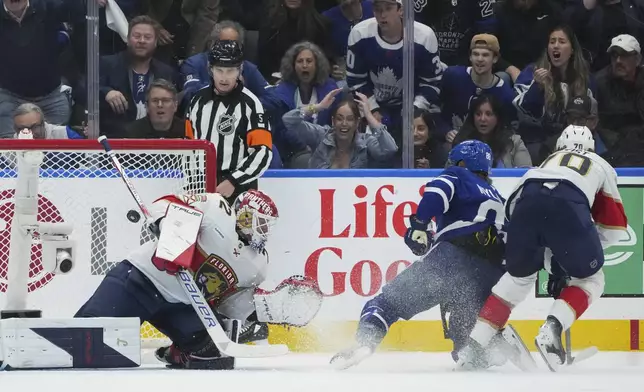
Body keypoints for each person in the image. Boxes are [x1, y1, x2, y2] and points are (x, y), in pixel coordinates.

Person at [330, 140, 527, 370]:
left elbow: (438, 190)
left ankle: (365, 341)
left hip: (453, 260)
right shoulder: (499, 199)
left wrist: (420, 224)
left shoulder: (458, 176)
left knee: (386, 304)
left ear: (462, 163)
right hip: (490, 274)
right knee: (466, 341)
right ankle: (493, 344)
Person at [76, 190, 322, 369]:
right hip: (141, 279)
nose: (264, 232)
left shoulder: (258, 264)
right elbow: (168, 202)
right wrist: (165, 223)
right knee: (85, 343)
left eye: (269, 227)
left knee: (216, 359)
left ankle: (175, 354)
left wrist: (261, 309)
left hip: (182, 306)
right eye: (262, 224)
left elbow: (228, 304)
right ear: (245, 215)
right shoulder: (216, 208)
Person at [456, 125, 628, 372]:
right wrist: (570, 262)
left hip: (526, 203)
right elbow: (615, 228)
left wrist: (550, 257)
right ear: (591, 148)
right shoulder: (600, 164)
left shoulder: (545, 163)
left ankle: (473, 347)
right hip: (568, 205)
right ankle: (552, 329)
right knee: (591, 278)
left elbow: (512, 210)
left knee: (516, 279)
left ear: (559, 146)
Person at [185, 40, 273, 204]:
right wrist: (193, 183)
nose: (224, 78)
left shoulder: (252, 105)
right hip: (200, 189)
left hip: (239, 192)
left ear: (240, 71)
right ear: (210, 69)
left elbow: (263, 152)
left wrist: (234, 180)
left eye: (230, 71)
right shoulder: (197, 101)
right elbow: (190, 147)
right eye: (220, 70)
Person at [452, 94, 532, 168]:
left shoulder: (514, 142)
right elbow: (449, 175)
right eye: (478, 114)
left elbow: (526, 173)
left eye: (488, 114)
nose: (482, 119)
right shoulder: (462, 143)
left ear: (498, 118)